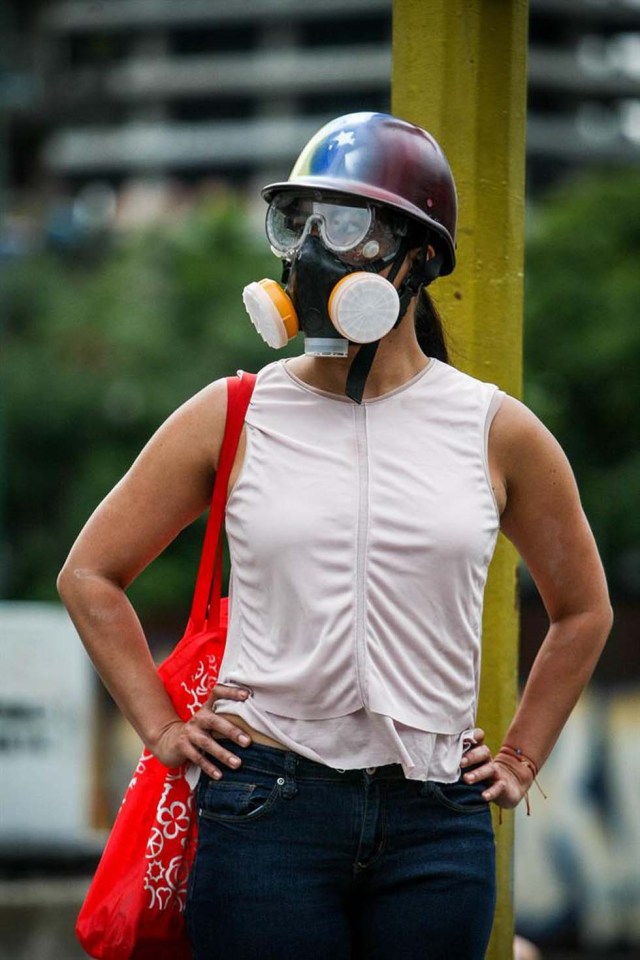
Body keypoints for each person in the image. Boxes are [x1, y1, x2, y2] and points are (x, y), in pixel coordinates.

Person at [57, 112, 612, 960]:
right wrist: (163, 728)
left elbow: (583, 610)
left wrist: (523, 757)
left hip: (436, 820)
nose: (311, 252)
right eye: (298, 222)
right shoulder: (234, 412)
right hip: (265, 810)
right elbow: (89, 575)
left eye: (346, 226)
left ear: (418, 258)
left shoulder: (495, 429)